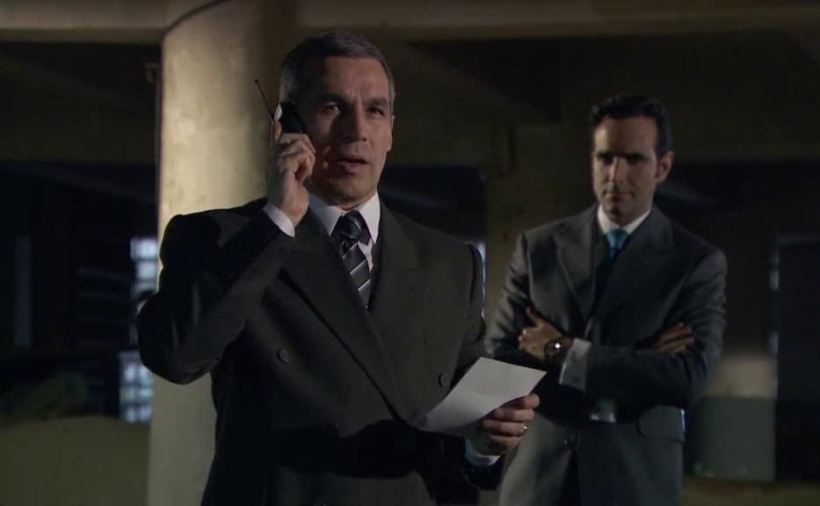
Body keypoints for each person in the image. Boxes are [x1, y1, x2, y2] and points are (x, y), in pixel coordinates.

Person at [138, 31, 537, 506]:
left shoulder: (450, 262)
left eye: (375, 110)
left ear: (391, 131)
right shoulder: (225, 239)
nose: (356, 131)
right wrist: (278, 219)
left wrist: (484, 446)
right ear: (286, 125)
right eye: (332, 107)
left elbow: (460, 426)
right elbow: (176, 357)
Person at [487, 94, 726, 506]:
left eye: (633, 159)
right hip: (540, 477)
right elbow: (502, 356)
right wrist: (640, 363)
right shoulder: (539, 248)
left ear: (662, 167)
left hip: (635, 480)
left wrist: (562, 351)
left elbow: (688, 378)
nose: (616, 174)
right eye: (605, 158)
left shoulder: (694, 263)